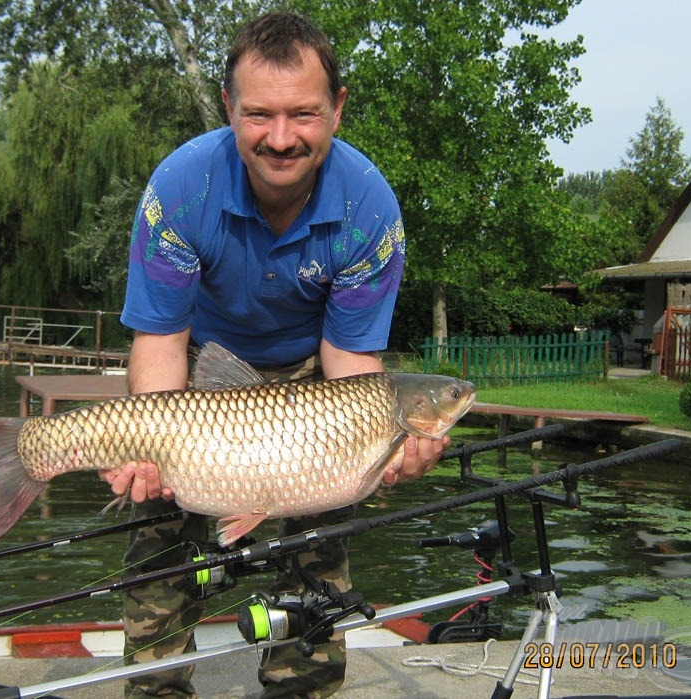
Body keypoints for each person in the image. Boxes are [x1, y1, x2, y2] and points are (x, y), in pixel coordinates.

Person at [105, 11, 448, 698]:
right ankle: (154, 686)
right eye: (259, 114)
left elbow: (352, 367)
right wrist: (146, 439)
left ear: (338, 109)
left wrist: (379, 446)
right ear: (229, 107)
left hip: (313, 381)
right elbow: (161, 341)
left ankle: (304, 684)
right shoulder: (179, 190)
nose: (282, 138)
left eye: (305, 114)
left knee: (322, 535)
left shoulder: (369, 210)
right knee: (160, 538)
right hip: (196, 366)